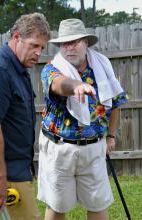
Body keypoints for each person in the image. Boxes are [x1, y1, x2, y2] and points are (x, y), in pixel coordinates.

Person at [37, 18, 128, 220]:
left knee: (98, 205)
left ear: (86, 42)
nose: (68, 47)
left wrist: (111, 137)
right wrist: (76, 86)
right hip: (59, 149)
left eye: (74, 41)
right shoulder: (52, 68)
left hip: (94, 148)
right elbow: (58, 84)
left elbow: (115, 102)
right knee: (57, 206)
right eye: (64, 43)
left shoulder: (102, 67)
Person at [0, 13, 50, 220]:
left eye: (42, 48)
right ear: (16, 37)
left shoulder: (18, 69)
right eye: (34, 45)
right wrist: (0, 178)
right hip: (6, 174)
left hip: (18, 169)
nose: (38, 53)